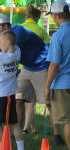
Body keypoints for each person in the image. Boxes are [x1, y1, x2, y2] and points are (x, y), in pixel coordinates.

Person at [0, 13, 63, 146]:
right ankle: (18, 131)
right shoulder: (1, 38)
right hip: (27, 68)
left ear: (5, 26)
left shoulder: (18, 31)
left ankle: (57, 135)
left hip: (42, 66)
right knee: (18, 98)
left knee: (48, 102)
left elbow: (6, 46)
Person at [20, 5, 50, 134]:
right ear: (37, 17)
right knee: (31, 102)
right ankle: (28, 128)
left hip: (21, 69)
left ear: (27, 16)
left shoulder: (20, 27)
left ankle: (26, 128)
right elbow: (48, 50)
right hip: (39, 69)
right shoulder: (41, 30)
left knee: (22, 100)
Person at [44, 1, 70, 149]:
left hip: (63, 84)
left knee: (67, 121)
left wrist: (47, 87)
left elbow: (54, 64)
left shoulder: (58, 35)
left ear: (57, 15)